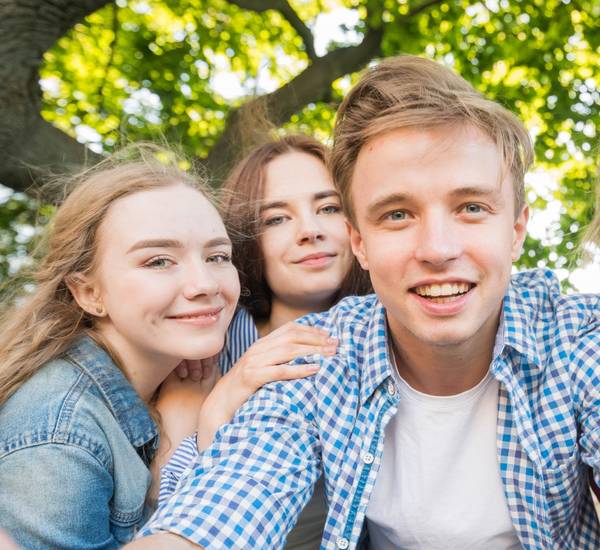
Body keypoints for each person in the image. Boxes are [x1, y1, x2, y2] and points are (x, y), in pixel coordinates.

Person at [131, 56, 600, 550]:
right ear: (359, 242)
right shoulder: (316, 357)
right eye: (397, 214)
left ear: (517, 230)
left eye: (472, 208)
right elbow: (228, 501)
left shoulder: (577, 338)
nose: (438, 249)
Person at [0, 149, 244, 549]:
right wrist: (180, 446)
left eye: (217, 256)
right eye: (159, 261)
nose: (204, 284)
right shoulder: (60, 436)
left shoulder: (170, 384)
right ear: (89, 292)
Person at [154, 135, 371, 550]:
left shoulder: (401, 333)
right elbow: (161, 511)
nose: (310, 231)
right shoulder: (204, 344)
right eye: (276, 219)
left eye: (329, 208)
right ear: (246, 241)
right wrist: (219, 406)